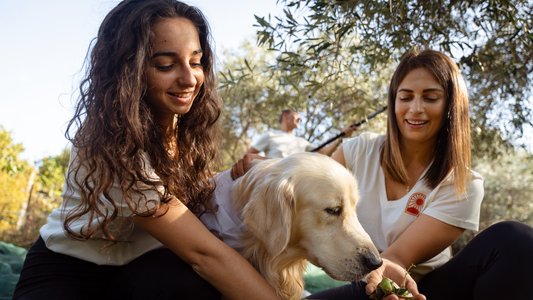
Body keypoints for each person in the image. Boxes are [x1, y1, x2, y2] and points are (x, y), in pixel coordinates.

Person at [13, 1, 286, 299]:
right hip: (70, 270)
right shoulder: (109, 142)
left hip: (144, 269)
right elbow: (204, 254)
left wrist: (242, 175)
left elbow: (181, 192)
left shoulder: (183, 129)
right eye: (166, 65)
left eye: (195, 62)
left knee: (188, 285)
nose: (189, 79)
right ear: (127, 71)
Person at [232, 49, 533, 300]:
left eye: (430, 97)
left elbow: (397, 257)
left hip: (423, 290)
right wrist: (267, 169)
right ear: (393, 102)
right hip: (365, 288)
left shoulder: (464, 184)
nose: (415, 109)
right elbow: (310, 182)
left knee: (515, 240)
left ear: (452, 107)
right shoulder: (357, 151)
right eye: (406, 97)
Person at [243, 108, 356, 158]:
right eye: (297, 115)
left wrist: (340, 137)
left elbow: (324, 153)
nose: (300, 118)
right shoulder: (270, 136)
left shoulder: (302, 142)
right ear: (286, 116)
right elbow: (247, 156)